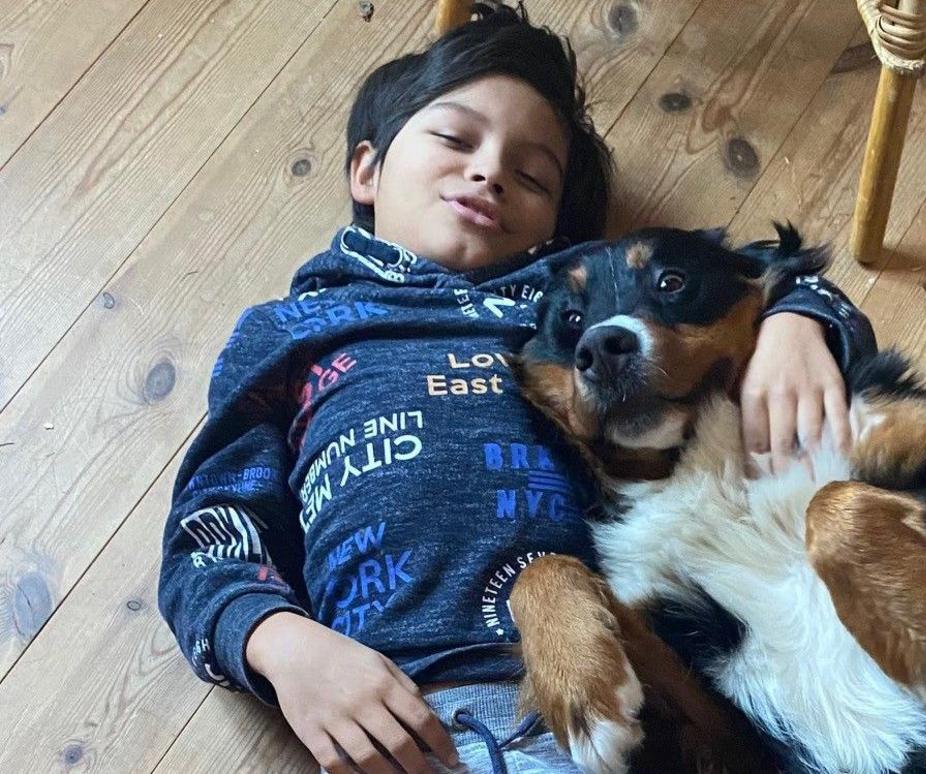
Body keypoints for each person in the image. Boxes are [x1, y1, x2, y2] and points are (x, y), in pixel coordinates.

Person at [157, 4, 876, 772]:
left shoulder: (569, 306)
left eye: (532, 176)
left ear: (552, 228)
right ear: (366, 169)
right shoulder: (291, 328)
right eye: (454, 138)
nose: (490, 170)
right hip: (403, 713)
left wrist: (797, 321)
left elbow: (755, 268)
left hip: (647, 685)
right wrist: (280, 645)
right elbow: (212, 525)